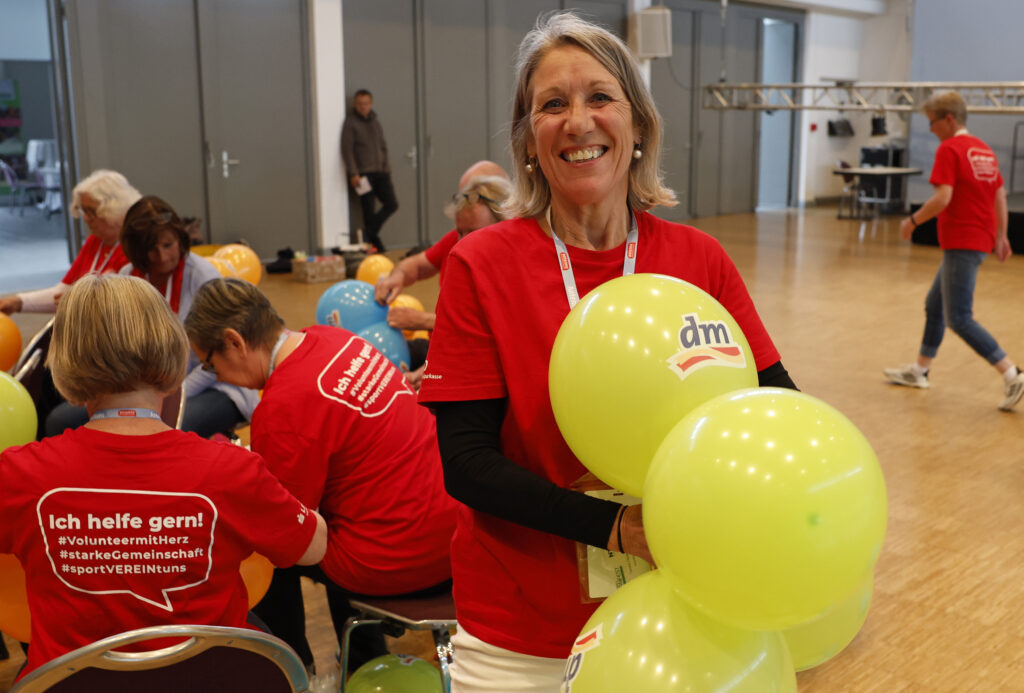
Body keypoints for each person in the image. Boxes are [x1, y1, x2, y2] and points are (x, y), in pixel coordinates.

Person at [416, 12, 797, 690]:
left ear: (639, 125)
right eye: (552, 105)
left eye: (599, 97)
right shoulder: (483, 264)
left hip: (682, 615)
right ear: (529, 139)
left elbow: (776, 412)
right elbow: (467, 464)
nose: (578, 121)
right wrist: (615, 527)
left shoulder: (697, 260)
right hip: (520, 629)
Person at [0, 274, 327, 677]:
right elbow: (312, 547)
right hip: (213, 684)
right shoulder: (231, 468)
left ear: (65, 367)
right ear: (173, 360)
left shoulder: (17, 475)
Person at [184, 278, 457, 671]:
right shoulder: (336, 338)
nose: (218, 377)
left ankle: (292, 668)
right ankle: (361, 659)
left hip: (401, 559)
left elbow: (284, 527)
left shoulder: (282, 408)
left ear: (235, 342)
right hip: (457, 534)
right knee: (327, 521)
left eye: (211, 364)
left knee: (267, 544)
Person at [43, 195, 259, 438]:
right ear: (136, 251)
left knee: (167, 430)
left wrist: (169, 393)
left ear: (180, 239)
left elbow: (217, 359)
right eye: (151, 249)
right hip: (143, 389)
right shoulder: (128, 275)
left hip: (213, 385)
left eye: (168, 245)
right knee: (59, 421)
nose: (162, 256)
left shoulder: (203, 276)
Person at [885, 90, 1024, 411]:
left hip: (963, 239)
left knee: (959, 317)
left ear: (949, 119)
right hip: (979, 239)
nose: (931, 129)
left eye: (932, 123)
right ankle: (919, 371)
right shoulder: (984, 150)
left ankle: (1012, 373)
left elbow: (942, 198)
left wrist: (912, 221)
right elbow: (999, 195)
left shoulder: (950, 149)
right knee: (935, 305)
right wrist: (1001, 236)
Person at [0, 169, 140, 315]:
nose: (85, 218)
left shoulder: (134, 250)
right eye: (83, 210)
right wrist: (19, 301)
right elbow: (65, 290)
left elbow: (127, 310)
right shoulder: (96, 241)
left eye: (91, 211)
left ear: (114, 209)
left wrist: (76, 304)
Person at [341, 88, 398, 252]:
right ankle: (375, 244)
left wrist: (386, 166)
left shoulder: (375, 121)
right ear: (355, 105)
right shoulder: (351, 123)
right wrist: (353, 173)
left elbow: (383, 145)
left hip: (380, 172)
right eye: (359, 104)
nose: (362, 106)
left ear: (370, 104)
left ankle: (367, 234)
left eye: (365, 103)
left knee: (392, 204)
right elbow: (347, 149)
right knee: (368, 211)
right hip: (363, 175)